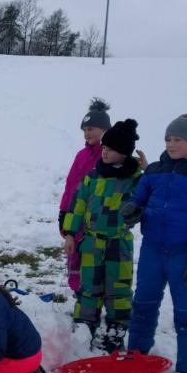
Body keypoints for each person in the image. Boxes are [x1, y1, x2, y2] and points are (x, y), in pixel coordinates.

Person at [125, 113, 187, 373]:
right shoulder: (154, 171)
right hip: (152, 250)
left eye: (178, 139)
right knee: (143, 304)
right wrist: (132, 210)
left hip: (184, 255)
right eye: (168, 139)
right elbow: (138, 198)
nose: (171, 144)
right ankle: (136, 355)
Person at [62, 119, 143, 352]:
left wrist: (147, 172)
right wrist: (70, 234)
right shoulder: (93, 175)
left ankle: (116, 331)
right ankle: (84, 326)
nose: (105, 152)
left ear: (124, 152)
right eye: (104, 147)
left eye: (111, 149)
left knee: (118, 288)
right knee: (89, 286)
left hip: (119, 242)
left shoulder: (135, 178)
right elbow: (78, 205)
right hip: (91, 242)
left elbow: (147, 199)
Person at [59, 98, 112, 292]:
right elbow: (70, 185)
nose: (87, 133)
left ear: (105, 129)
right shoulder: (81, 155)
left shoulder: (108, 156)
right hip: (76, 214)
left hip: (96, 216)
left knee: (93, 256)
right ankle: (79, 291)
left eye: (91, 129)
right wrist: (64, 211)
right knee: (75, 253)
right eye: (85, 129)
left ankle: (95, 291)